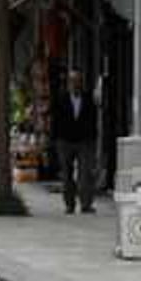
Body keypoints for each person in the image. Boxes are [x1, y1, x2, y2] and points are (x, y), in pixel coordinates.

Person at [52, 70, 97, 213]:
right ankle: (69, 204)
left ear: (81, 83)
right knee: (66, 174)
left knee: (85, 173)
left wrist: (92, 137)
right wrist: (55, 140)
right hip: (65, 141)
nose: (75, 84)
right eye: (72, 81)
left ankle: (86, 204)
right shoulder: (60, 99)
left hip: (84, 141)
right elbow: (55, 121)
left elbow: (93, 119)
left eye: (78, 81)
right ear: (68, 84)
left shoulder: (89, 99)